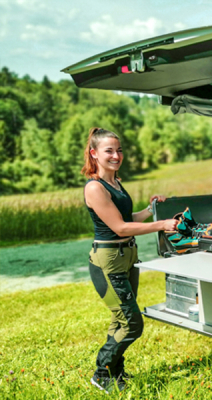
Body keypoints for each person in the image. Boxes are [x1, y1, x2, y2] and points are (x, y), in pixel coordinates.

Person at [81, 127, 178, 394]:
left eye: (119, 150)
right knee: (132, 323)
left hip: (128, 257)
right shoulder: (95, 188)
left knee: (120, 319)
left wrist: (151, 209)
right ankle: (102, 373)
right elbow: (120, 228)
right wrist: (161, 224)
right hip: (108, 260)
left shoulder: (115, 183)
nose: (116, 155)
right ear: (94, 153)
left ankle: (115, 372)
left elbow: (129, 220)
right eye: (109, 150)